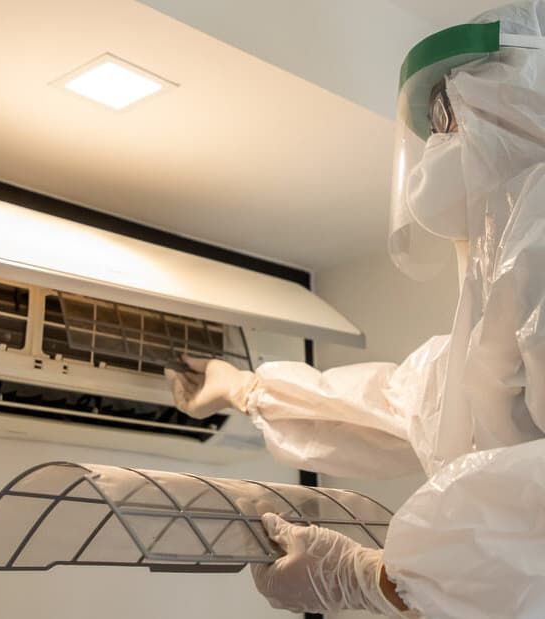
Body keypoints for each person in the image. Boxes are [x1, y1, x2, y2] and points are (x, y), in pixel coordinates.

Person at [165, 2, 545, 617]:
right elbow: (403, 403)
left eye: (448, 115)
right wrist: (245, 388)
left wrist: (373, 582)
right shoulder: (503, 294)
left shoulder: (538, 249)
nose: (437, 145)